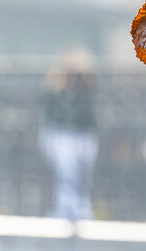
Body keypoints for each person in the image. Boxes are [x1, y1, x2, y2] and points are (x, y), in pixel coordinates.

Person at [38, 46, 99, 220]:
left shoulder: (88, 91)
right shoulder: (54, 90)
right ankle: (64, 205)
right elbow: (51, 117)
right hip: (58, 136)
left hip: (83, 136)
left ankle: (81, 204)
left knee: (82, 161)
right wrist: (63, 93)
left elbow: (89, 118)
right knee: (67, 160)